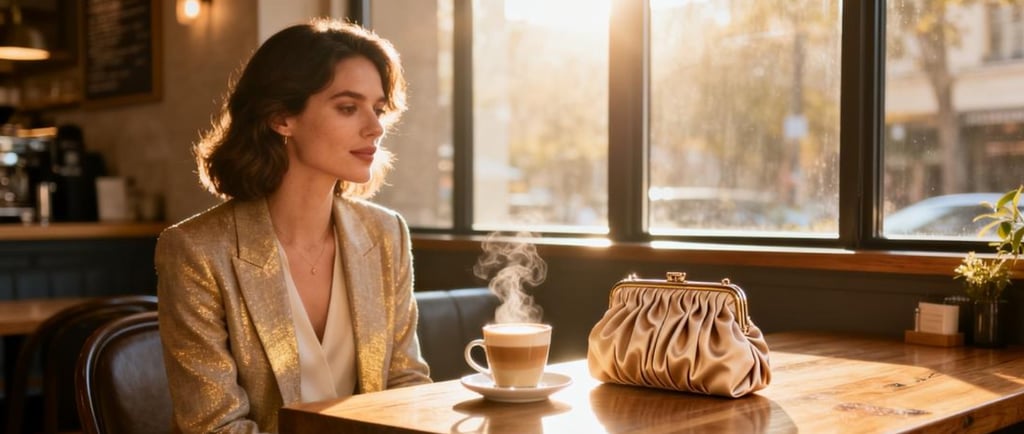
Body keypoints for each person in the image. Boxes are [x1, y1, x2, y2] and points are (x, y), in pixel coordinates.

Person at [155, 18, 431, 433]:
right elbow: (216, 427)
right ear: (282, 117)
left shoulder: (385, 233)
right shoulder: (196, 251)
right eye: (347, 107)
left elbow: (407, 389)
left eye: (377, 109)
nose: (375, 128)